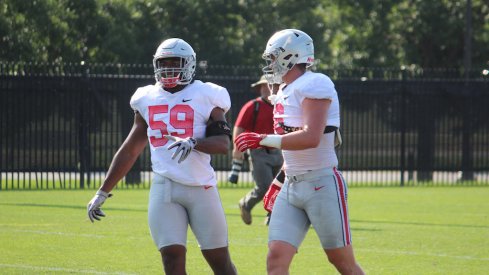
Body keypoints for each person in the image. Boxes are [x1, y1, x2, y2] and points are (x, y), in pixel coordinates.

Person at [86, 38, 237, 275]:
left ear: (189, 64)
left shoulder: (207, 94)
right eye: (163, 63)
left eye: (175, 63)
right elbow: (131, 148)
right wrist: (102, 191)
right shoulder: (146, 97)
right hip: (164, 186)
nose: (168, 69)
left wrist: (194, 142)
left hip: (201, 188)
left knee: (218, 260)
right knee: (171, 256)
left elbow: (223, 144)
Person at [234, 29, 364, 274]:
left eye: (273, 57)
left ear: (290, 56)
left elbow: (310, 137)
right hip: (291, 184)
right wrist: (279, 180)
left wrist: (263, 139)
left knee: (342, 262)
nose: (270, 64)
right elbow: (291, 145)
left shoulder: (316, 83)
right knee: (276, 259)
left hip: (321, 184)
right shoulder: (283, 90)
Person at [228, 75, 284, 225]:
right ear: (260, 88)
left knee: (280, 186)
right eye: (265, 86)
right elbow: (238, 128)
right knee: (265, 186)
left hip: (278, 150)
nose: (269, 89)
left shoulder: (281, 106)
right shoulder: (253, 106)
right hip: (257, 152)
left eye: (272, 86)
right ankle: (246, 203)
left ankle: (272, 216)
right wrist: (237, 148)